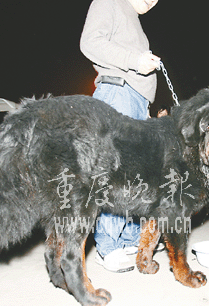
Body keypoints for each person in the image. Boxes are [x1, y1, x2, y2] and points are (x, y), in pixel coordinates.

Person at [80, 0, 160, 273]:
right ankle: (108, 246)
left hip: (134, 101)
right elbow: (90, 42)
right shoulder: (109, 1)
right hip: (118, 94)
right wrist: (136, 60)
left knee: (134, 177)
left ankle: (128, 240)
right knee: (114, 175)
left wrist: (144, 109)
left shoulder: (135, 22)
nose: (152, 0)